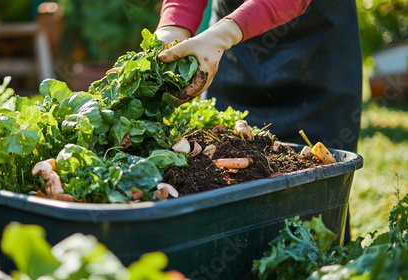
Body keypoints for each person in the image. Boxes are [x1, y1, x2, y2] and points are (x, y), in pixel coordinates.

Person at [155, 0, 363, 243]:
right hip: (231, 51)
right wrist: (174, 27)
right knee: (219, 178)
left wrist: (225, 33)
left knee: (314, 210)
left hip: (316, 50)